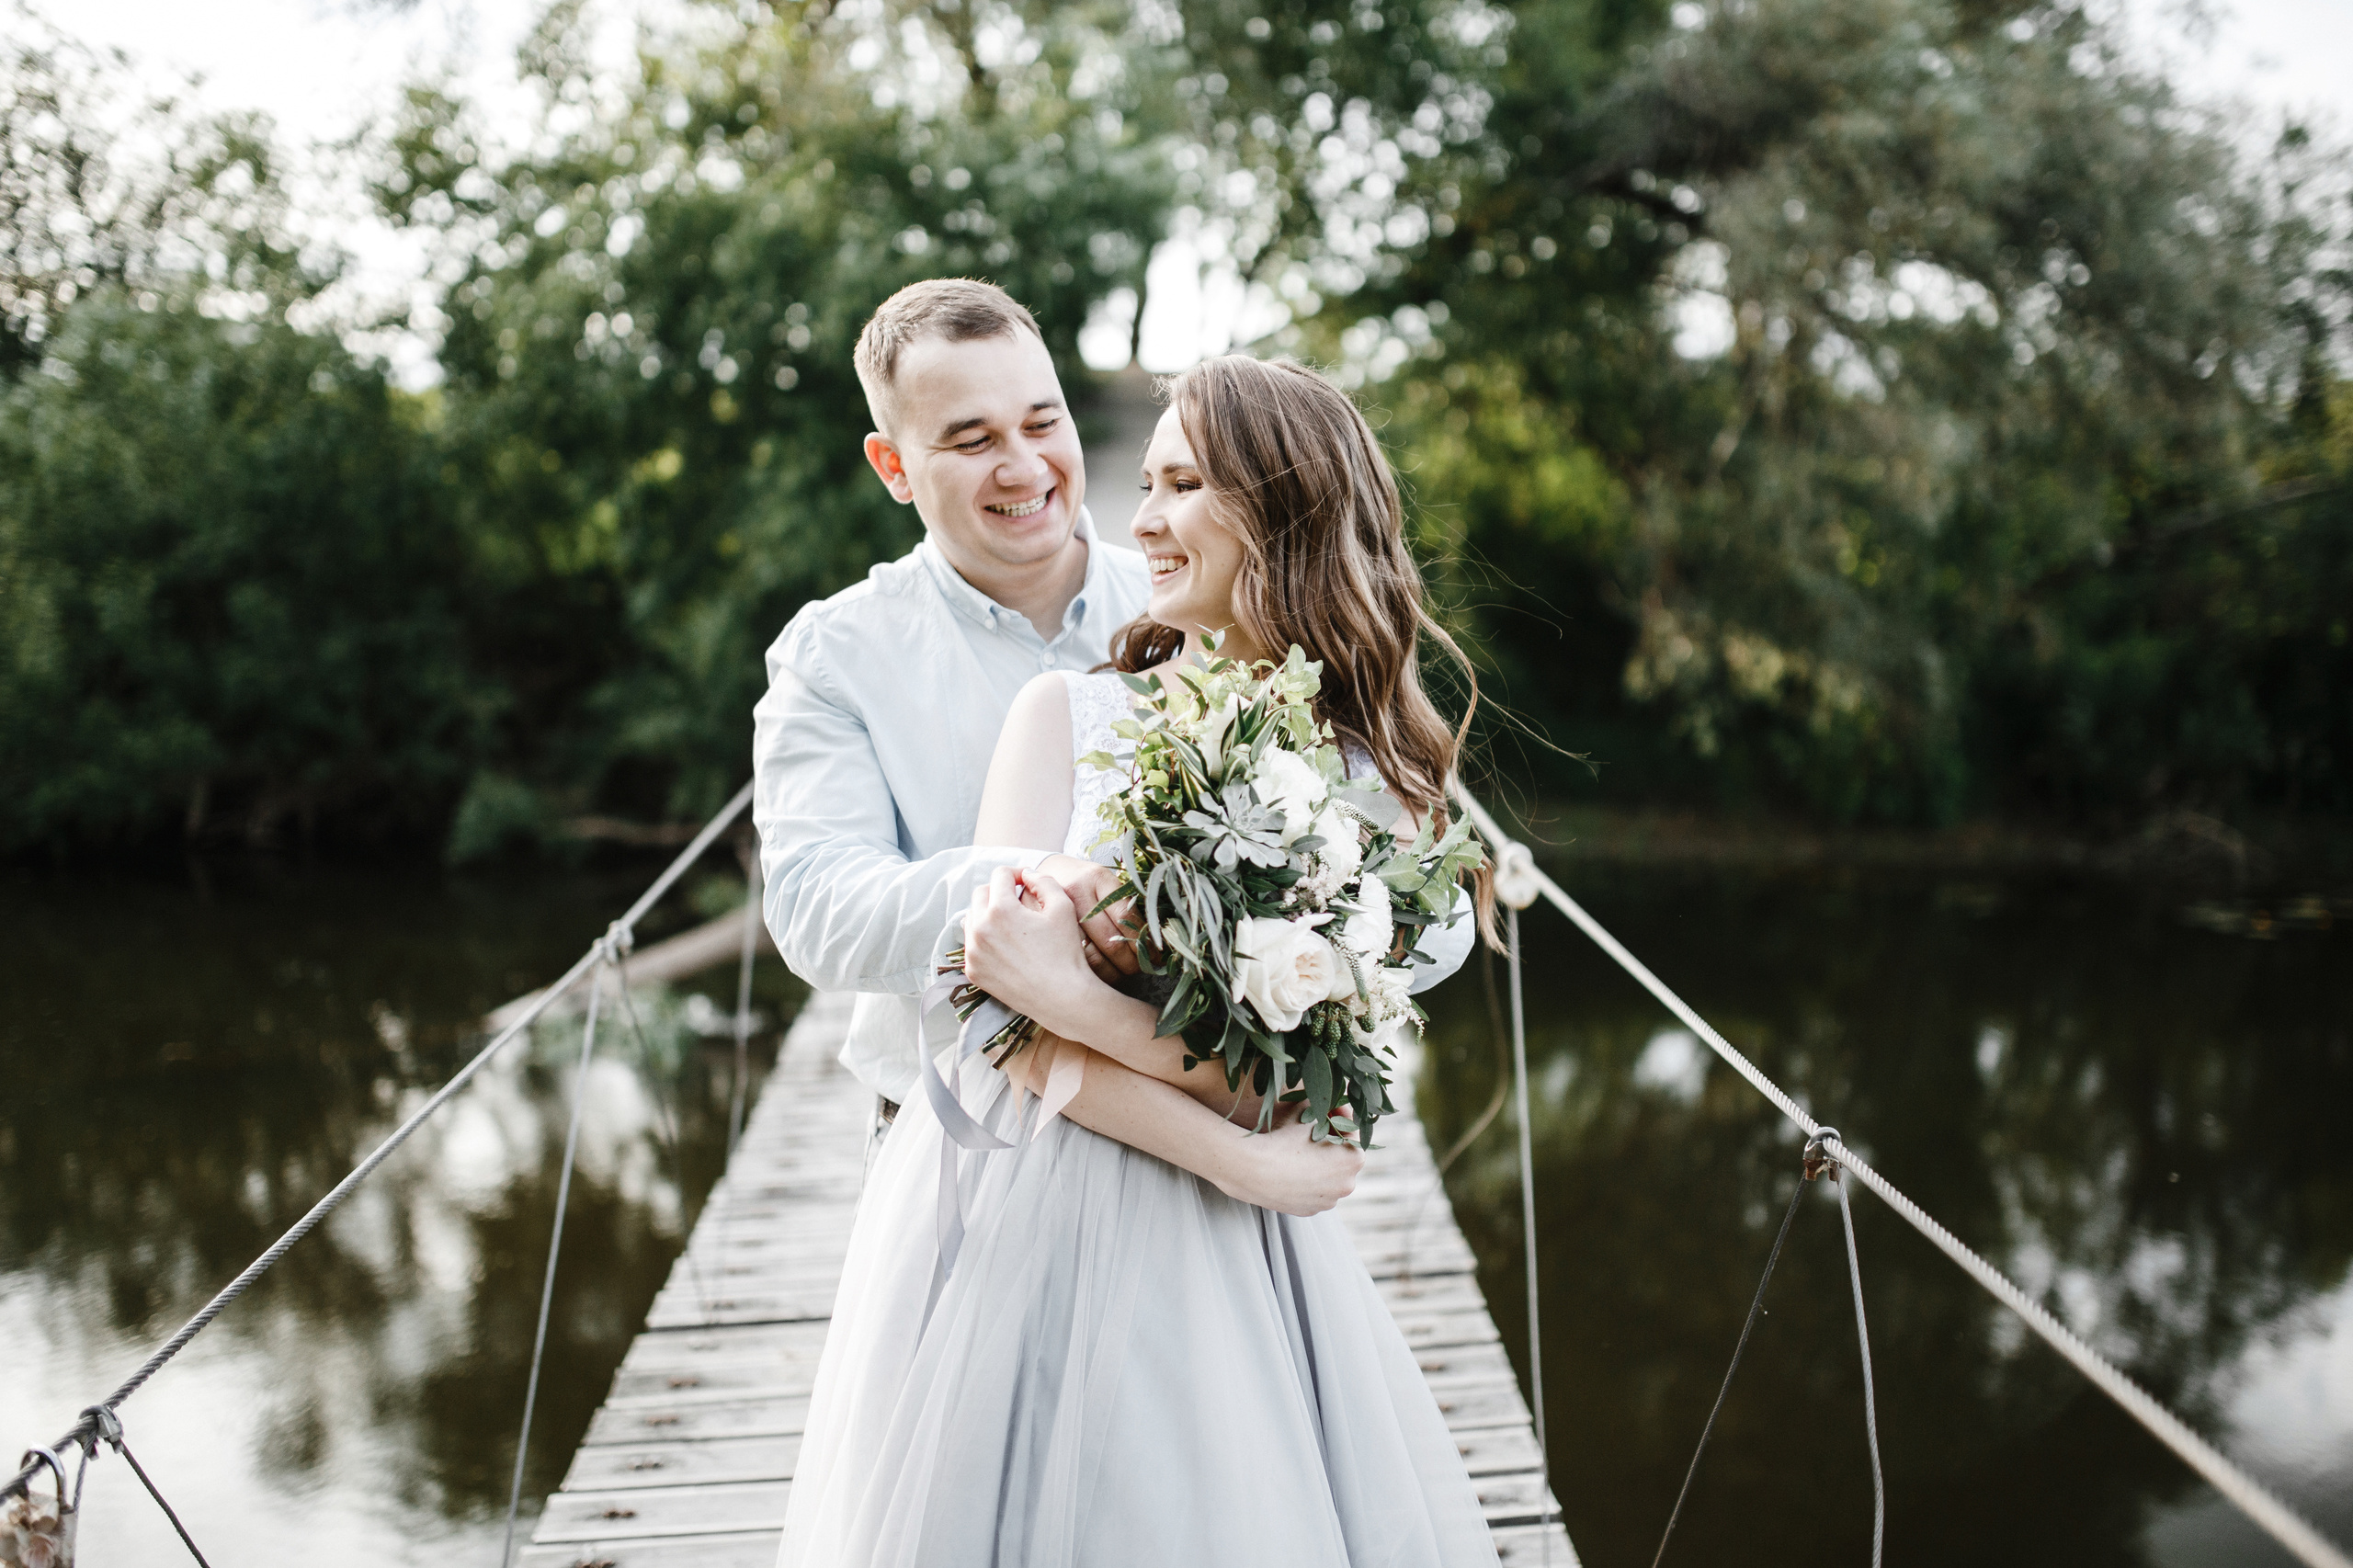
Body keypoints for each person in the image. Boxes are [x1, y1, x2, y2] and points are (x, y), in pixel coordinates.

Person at [775, 354, 1500, 1568]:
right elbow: (1001, 1029)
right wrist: (1238, 1152)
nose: (1143, 518)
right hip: (1036, 1203)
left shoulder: (1368, 778)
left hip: (1237, 1248)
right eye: (1147, 481)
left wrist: (1080, 1003)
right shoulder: (1068, 715)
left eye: (1183, 484)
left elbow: (1309, 1076)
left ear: (1282, 513)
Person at [752, 278, 1419, 1210]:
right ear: (894, 467)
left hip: (1221, 1128)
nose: (1024, 467)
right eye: (973, 441)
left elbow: (1388, 873)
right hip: (967, 1143)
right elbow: (818, 908)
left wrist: (1335, 947)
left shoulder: (1208, 590)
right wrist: (1039, 886)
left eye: (1043, 421)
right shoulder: (835, 653)